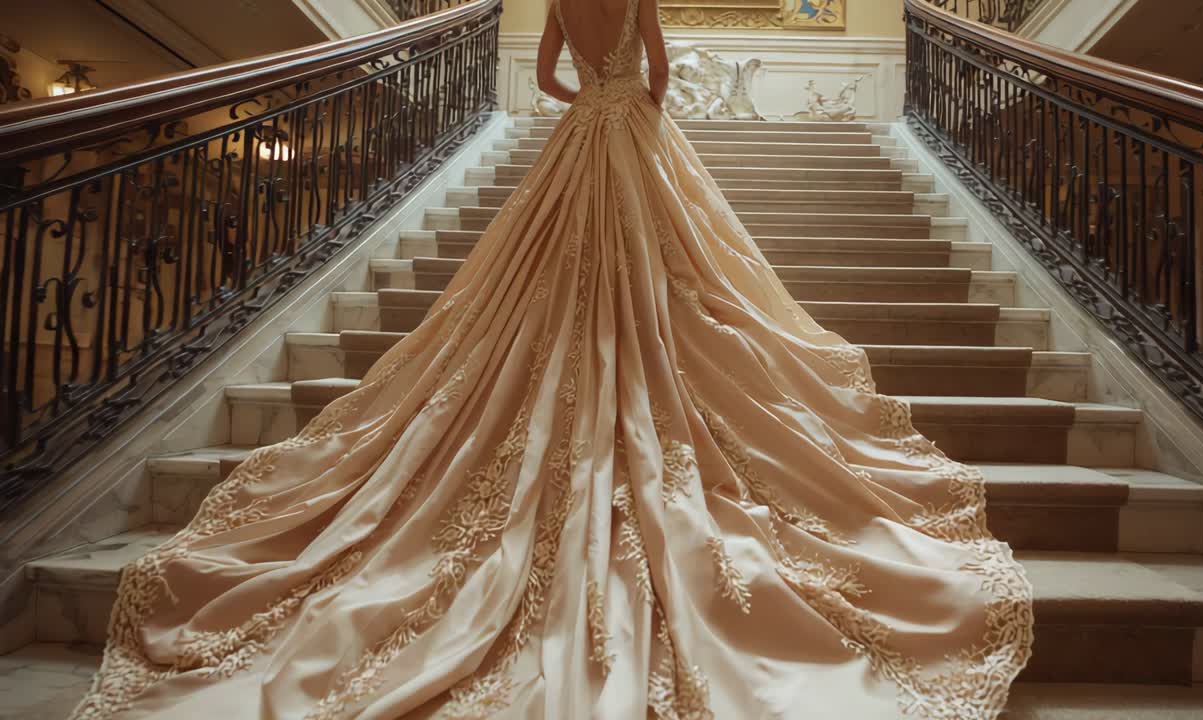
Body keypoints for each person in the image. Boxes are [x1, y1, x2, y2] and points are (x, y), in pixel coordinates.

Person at [71, 0, 1033, 717]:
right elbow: (655, 73)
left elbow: (543, 82)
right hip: (633, 138)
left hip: (580, 140)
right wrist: (632, 103)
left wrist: (587, 94)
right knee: (674, 274)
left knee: (545, 275)